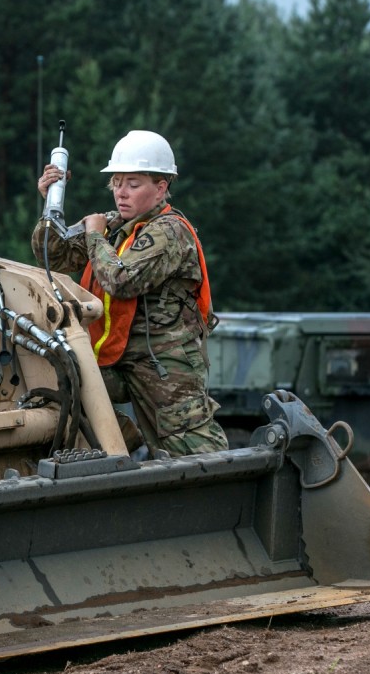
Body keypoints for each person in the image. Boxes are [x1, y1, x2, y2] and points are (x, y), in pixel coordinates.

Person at [31, 130, 228, 456]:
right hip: (117, 358)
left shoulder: (170, 232)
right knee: (63, 385)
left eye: (133, 184)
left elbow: (121, 280)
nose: (121, 193)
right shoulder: (111, 226)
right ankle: (123, 445)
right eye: (116, 183)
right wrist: (51, 202)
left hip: (166, 365)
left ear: (161, 187)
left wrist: (95, 237)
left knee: (191, 451)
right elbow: (56, 256)